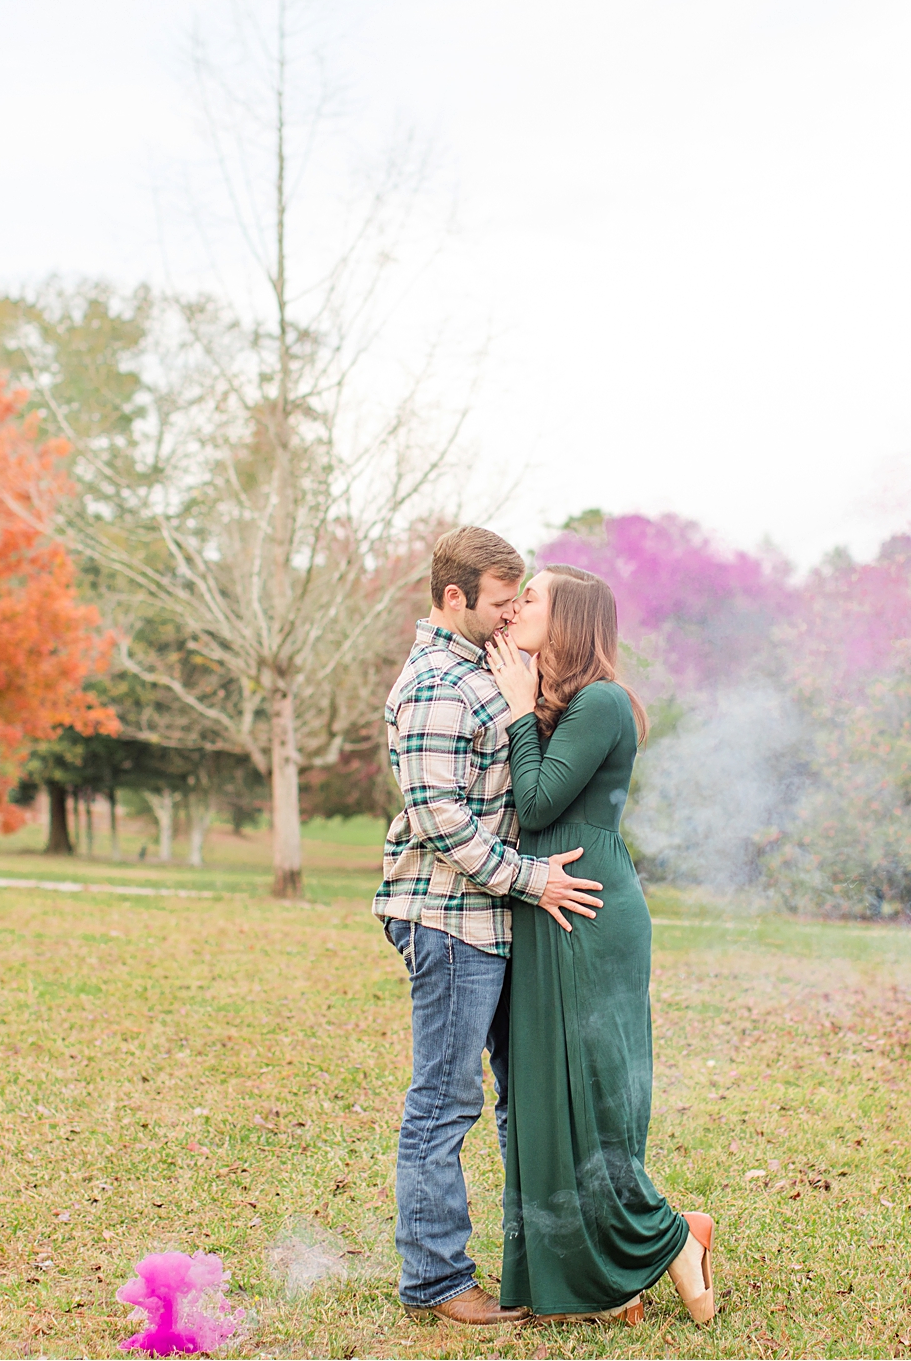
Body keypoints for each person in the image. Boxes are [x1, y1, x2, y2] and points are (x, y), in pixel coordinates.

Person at [373, 527, 609, 1328]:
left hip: (495, 918)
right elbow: (437, 819)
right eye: (501, 604)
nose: (511, 617)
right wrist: (531, 877)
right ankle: (436, 1282)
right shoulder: (437, 680)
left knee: (519, 1100)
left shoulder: (485, 670)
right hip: (449, 920)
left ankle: (538, 1264)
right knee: (445, 1103)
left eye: (519, 603)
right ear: (454, 599)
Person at [483, 564, 717, 1326]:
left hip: (589, 911)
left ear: (572, 619)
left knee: (594, 1092)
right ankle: (597, 1281)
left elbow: (540, 800)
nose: (517, 606)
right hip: (544, 903)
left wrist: (520, 711)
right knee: (549, 1094)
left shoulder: (603, 701)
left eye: (533, 597)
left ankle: (674, 1238)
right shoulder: (562, 706)